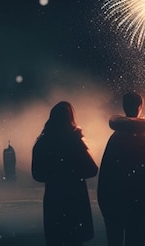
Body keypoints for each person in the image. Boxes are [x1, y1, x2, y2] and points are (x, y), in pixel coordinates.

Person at [32, 101, 99, 246]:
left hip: (53, 199)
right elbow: (92, 170)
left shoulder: (42, 143)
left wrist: (55, 176)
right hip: (75, 200)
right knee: (74, 240)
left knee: (55, 239)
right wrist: (73, 173)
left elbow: (37, 174)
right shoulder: (75, 142)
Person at [98, 92, 145, 246]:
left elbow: (105, 173)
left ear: (124, 107)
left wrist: (104, 202)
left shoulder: (115, 138)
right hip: (139, 201)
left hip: (114, 199)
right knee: (136, 240)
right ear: (140, 107)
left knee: (114, 240)